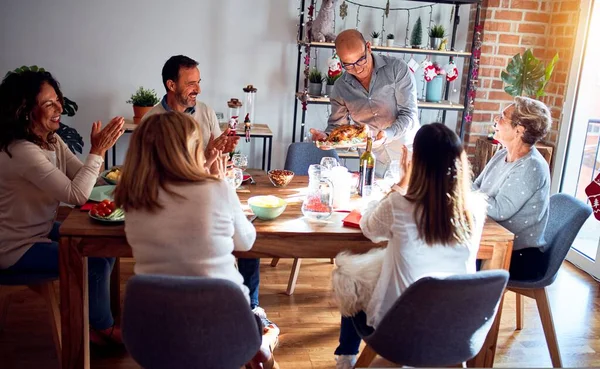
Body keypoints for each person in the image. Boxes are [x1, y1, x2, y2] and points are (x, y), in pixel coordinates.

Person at [114, 112, 278, 369]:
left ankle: (260, 346)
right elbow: (246, 243)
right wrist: (222, 184)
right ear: (188, 150)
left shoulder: (133, 199)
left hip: (155, 335)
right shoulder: (217, 189)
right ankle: (263, 347)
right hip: (228, 327)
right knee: (259, 342)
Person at [331, 123, 487, 369]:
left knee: (348, 275)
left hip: (402, 327)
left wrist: (401, 183)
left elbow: (369, 229)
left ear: (418, 163)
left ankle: (347, 356)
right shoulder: (475, 210)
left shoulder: (399, 204)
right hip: (457, 325)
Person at [0, 70, 125, 345]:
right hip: (14, 247)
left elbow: (85, 179)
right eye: (48, 103)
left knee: (103, 244)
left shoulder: (51, 140)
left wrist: (106, 163)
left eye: (57, 100)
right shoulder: (23, 151)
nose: (59, 108)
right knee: (92, 257)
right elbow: (76, 195)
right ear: (25, 111)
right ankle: (99, 329)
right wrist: (97, 151)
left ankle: (97, 318)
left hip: (39, 231)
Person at [145, 55, 265, 316]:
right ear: (171, 85)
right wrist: (208, 158)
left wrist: (223, 153)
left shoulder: (206, 112)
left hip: (206, 197)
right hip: (174, 207)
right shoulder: (152, 121)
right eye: (190, 83)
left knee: (244, 237)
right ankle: (242, 310)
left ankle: (250, 305)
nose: (197, 89)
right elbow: (158, 175)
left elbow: (217, 161)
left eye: (198, 82)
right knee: (242, 238)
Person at [310, 29, 419, 175]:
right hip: (372, 161)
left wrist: (388, 133)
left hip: (407, 155)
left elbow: (409, 114)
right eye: (348, 65)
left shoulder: (396, 69)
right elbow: (337, 125)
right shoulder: (341, 87)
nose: (357, 69)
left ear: (368, 47)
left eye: (361, 60)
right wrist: (327, 138)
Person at [474, 96, 552, 280]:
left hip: (520, 256)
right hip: (494, 242)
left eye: (502, 116)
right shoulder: (502, 154)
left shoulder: (532, 167)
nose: (496, 120)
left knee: (452, 257)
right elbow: (477, 186)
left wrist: (461, 184)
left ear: (519, 130)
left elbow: (500, 211)